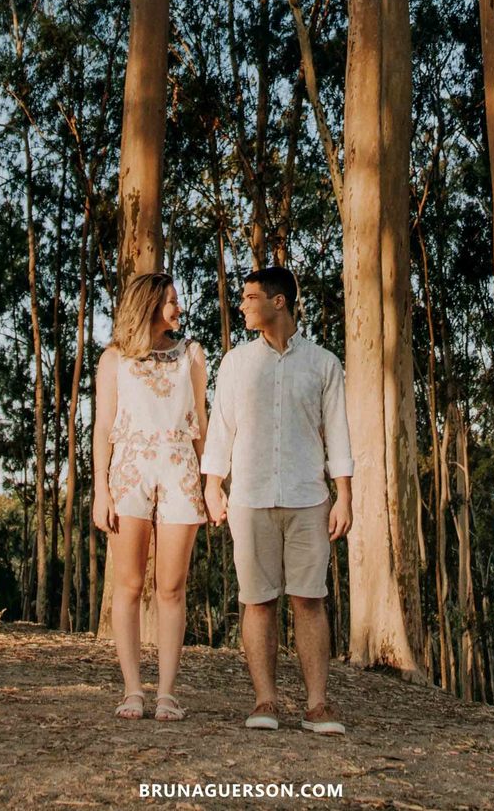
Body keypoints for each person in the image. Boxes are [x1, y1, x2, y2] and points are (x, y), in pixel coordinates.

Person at [202, 265, 353, 736]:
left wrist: (343, 496)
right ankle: (264, 701)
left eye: (250, 297)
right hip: (249, 498)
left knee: (309, 599)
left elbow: (339, 436)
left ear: (279, 302)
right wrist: (213, 485)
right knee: (257, 601)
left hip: (309, 498)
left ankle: (317, 705)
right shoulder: (235, 364)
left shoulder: (324, 363)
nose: (242, 304)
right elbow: (220, 428)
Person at [93, 272, 207, 721]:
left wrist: (213, 483)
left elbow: (201, 420)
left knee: (172, 587)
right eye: (171, 302)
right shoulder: (113, 360)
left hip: (180, 470)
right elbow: (103, 427)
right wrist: (101, 489)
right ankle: (132, 691)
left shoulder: (192, 355)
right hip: (129, 471)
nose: (179, 308)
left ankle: (166, 693)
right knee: (129, 584)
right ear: (149, 305)